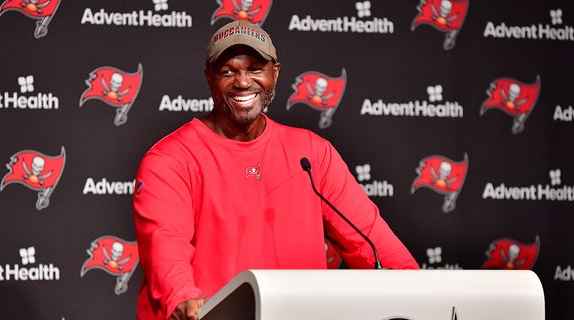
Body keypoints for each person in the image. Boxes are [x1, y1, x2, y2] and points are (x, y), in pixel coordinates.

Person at [133, 20, 420, 320]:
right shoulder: (169, 160)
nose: (243, 82)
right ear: (208, 77)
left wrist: (419, 293)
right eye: (228, 71)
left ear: (275, 72)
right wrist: (184, 299)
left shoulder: (311, 154)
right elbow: (166, 248)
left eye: (256, 68)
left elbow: (373, 245)